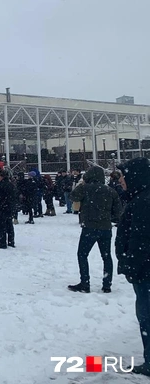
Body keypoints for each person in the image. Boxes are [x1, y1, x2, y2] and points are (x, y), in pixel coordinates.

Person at [115, 157, 150, 376]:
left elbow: (140, 239)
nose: (120, 181)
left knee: (147, 315)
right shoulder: (141, 199)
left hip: (144, 271)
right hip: (143, 269)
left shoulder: (142, 202)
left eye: (123, 176)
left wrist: (132, 266)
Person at [68, 167, 122, 293]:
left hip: (89, 227)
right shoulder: (110, 191)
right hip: (105, 228)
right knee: (106, 256)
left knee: (82, 254)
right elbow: (118, 212)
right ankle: (107, 284)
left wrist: (82, 184)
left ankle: (85, 283)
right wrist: (108, 218)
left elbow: (73, 197)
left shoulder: (85, 188)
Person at [0, 170, 17, 249]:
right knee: (9, 225)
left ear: (1, 176)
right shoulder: (11, 185)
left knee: (2, 226)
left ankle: (2, 242)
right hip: (9, 208)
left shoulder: (0, 186)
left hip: (2, 208)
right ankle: (11, 241)